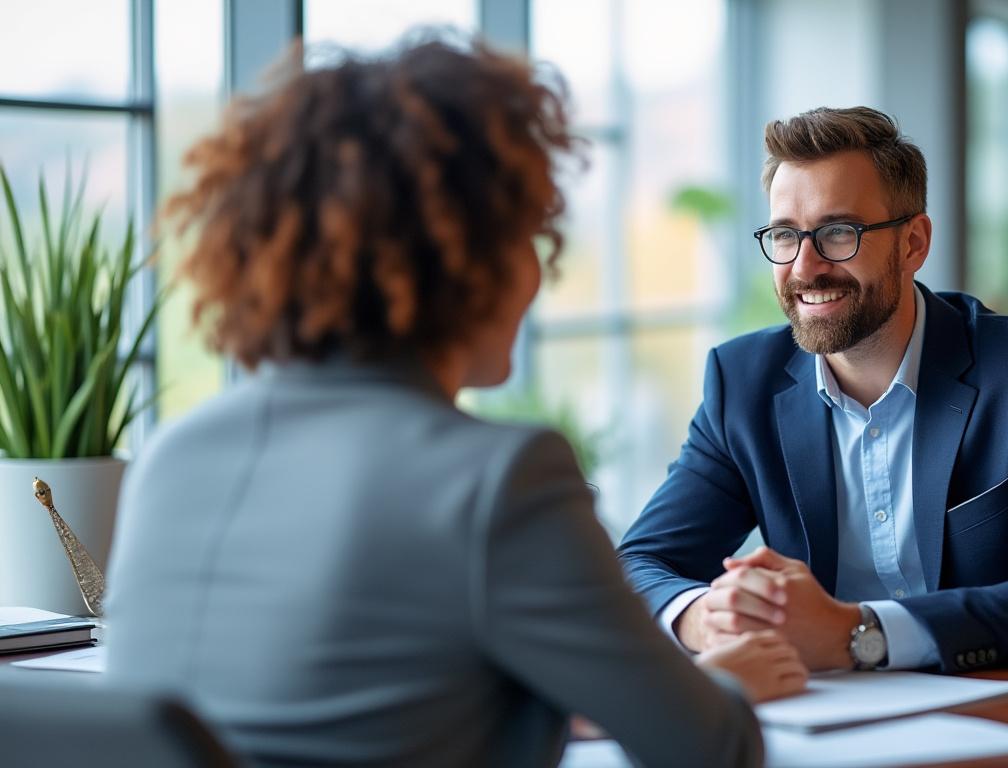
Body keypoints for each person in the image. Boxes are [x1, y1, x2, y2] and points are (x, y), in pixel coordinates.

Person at [104, 36, 805, 768]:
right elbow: (711, 750)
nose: (539, 273)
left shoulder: (172, 456)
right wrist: (717, 688)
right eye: (530, 235)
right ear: (470, 258)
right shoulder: (498, 478)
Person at [617, 106, 1008, 675]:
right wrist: (701, 617)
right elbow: (640, 562)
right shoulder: (741, 384)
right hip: (824, 720)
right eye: (785, 235)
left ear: (913, 244)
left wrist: (857, 634)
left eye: (838, 232)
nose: (805, 267)